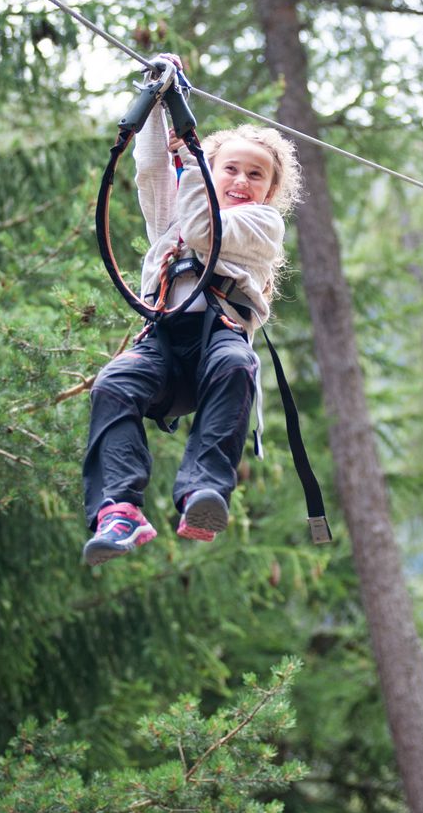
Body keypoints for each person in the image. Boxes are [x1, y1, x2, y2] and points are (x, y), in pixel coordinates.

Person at [82, 62, 302, 566]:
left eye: (256, 175)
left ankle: (204, 491)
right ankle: (118, 508)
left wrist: (193, 157)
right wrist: (161, 96)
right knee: (114, 384)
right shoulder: (175, 209)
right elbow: (154, 169)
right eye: (230, 169)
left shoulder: (263, 224)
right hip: (163, 339)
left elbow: (205, 231)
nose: (242, 181)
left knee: (236, 365)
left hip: (218, 336)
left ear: (269, 192)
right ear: (210, 170)